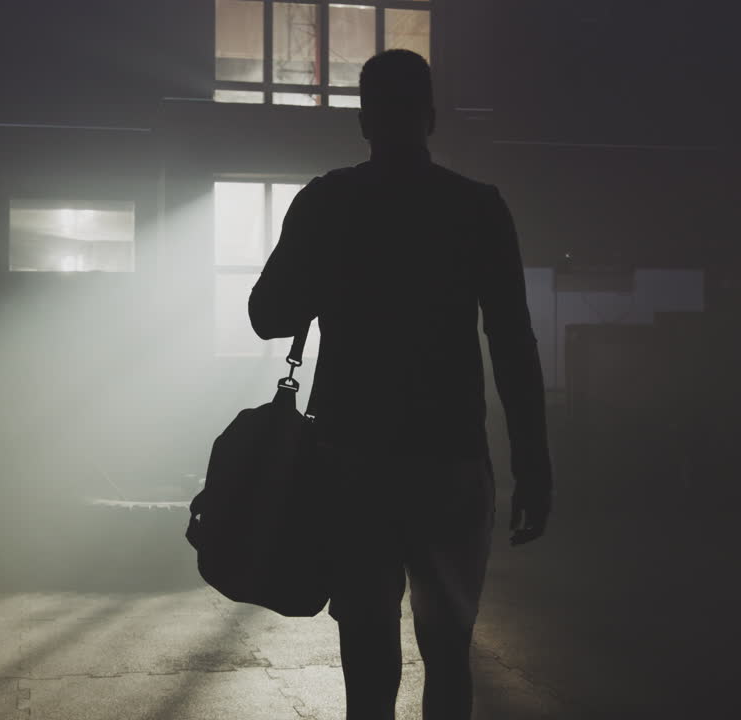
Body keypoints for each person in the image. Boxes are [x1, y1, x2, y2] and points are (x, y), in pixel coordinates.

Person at [247, 49, 553, 720]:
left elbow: (267, 317)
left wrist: (330, 275)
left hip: (351, 461)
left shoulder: (327, 201)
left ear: (363, 122)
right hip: (450, 460)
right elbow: (512, 343)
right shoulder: (477, 208)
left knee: (367, 652)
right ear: (431, 118)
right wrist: (532, 462)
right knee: (447, 652)